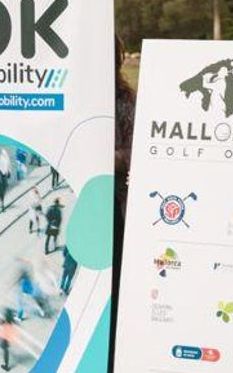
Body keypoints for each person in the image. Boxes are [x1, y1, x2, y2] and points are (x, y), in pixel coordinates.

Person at [109, 35, 136, 373]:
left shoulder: (126, 103)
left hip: (117, 213)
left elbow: (139, 153)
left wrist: (107, 157)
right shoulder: (68, 103)